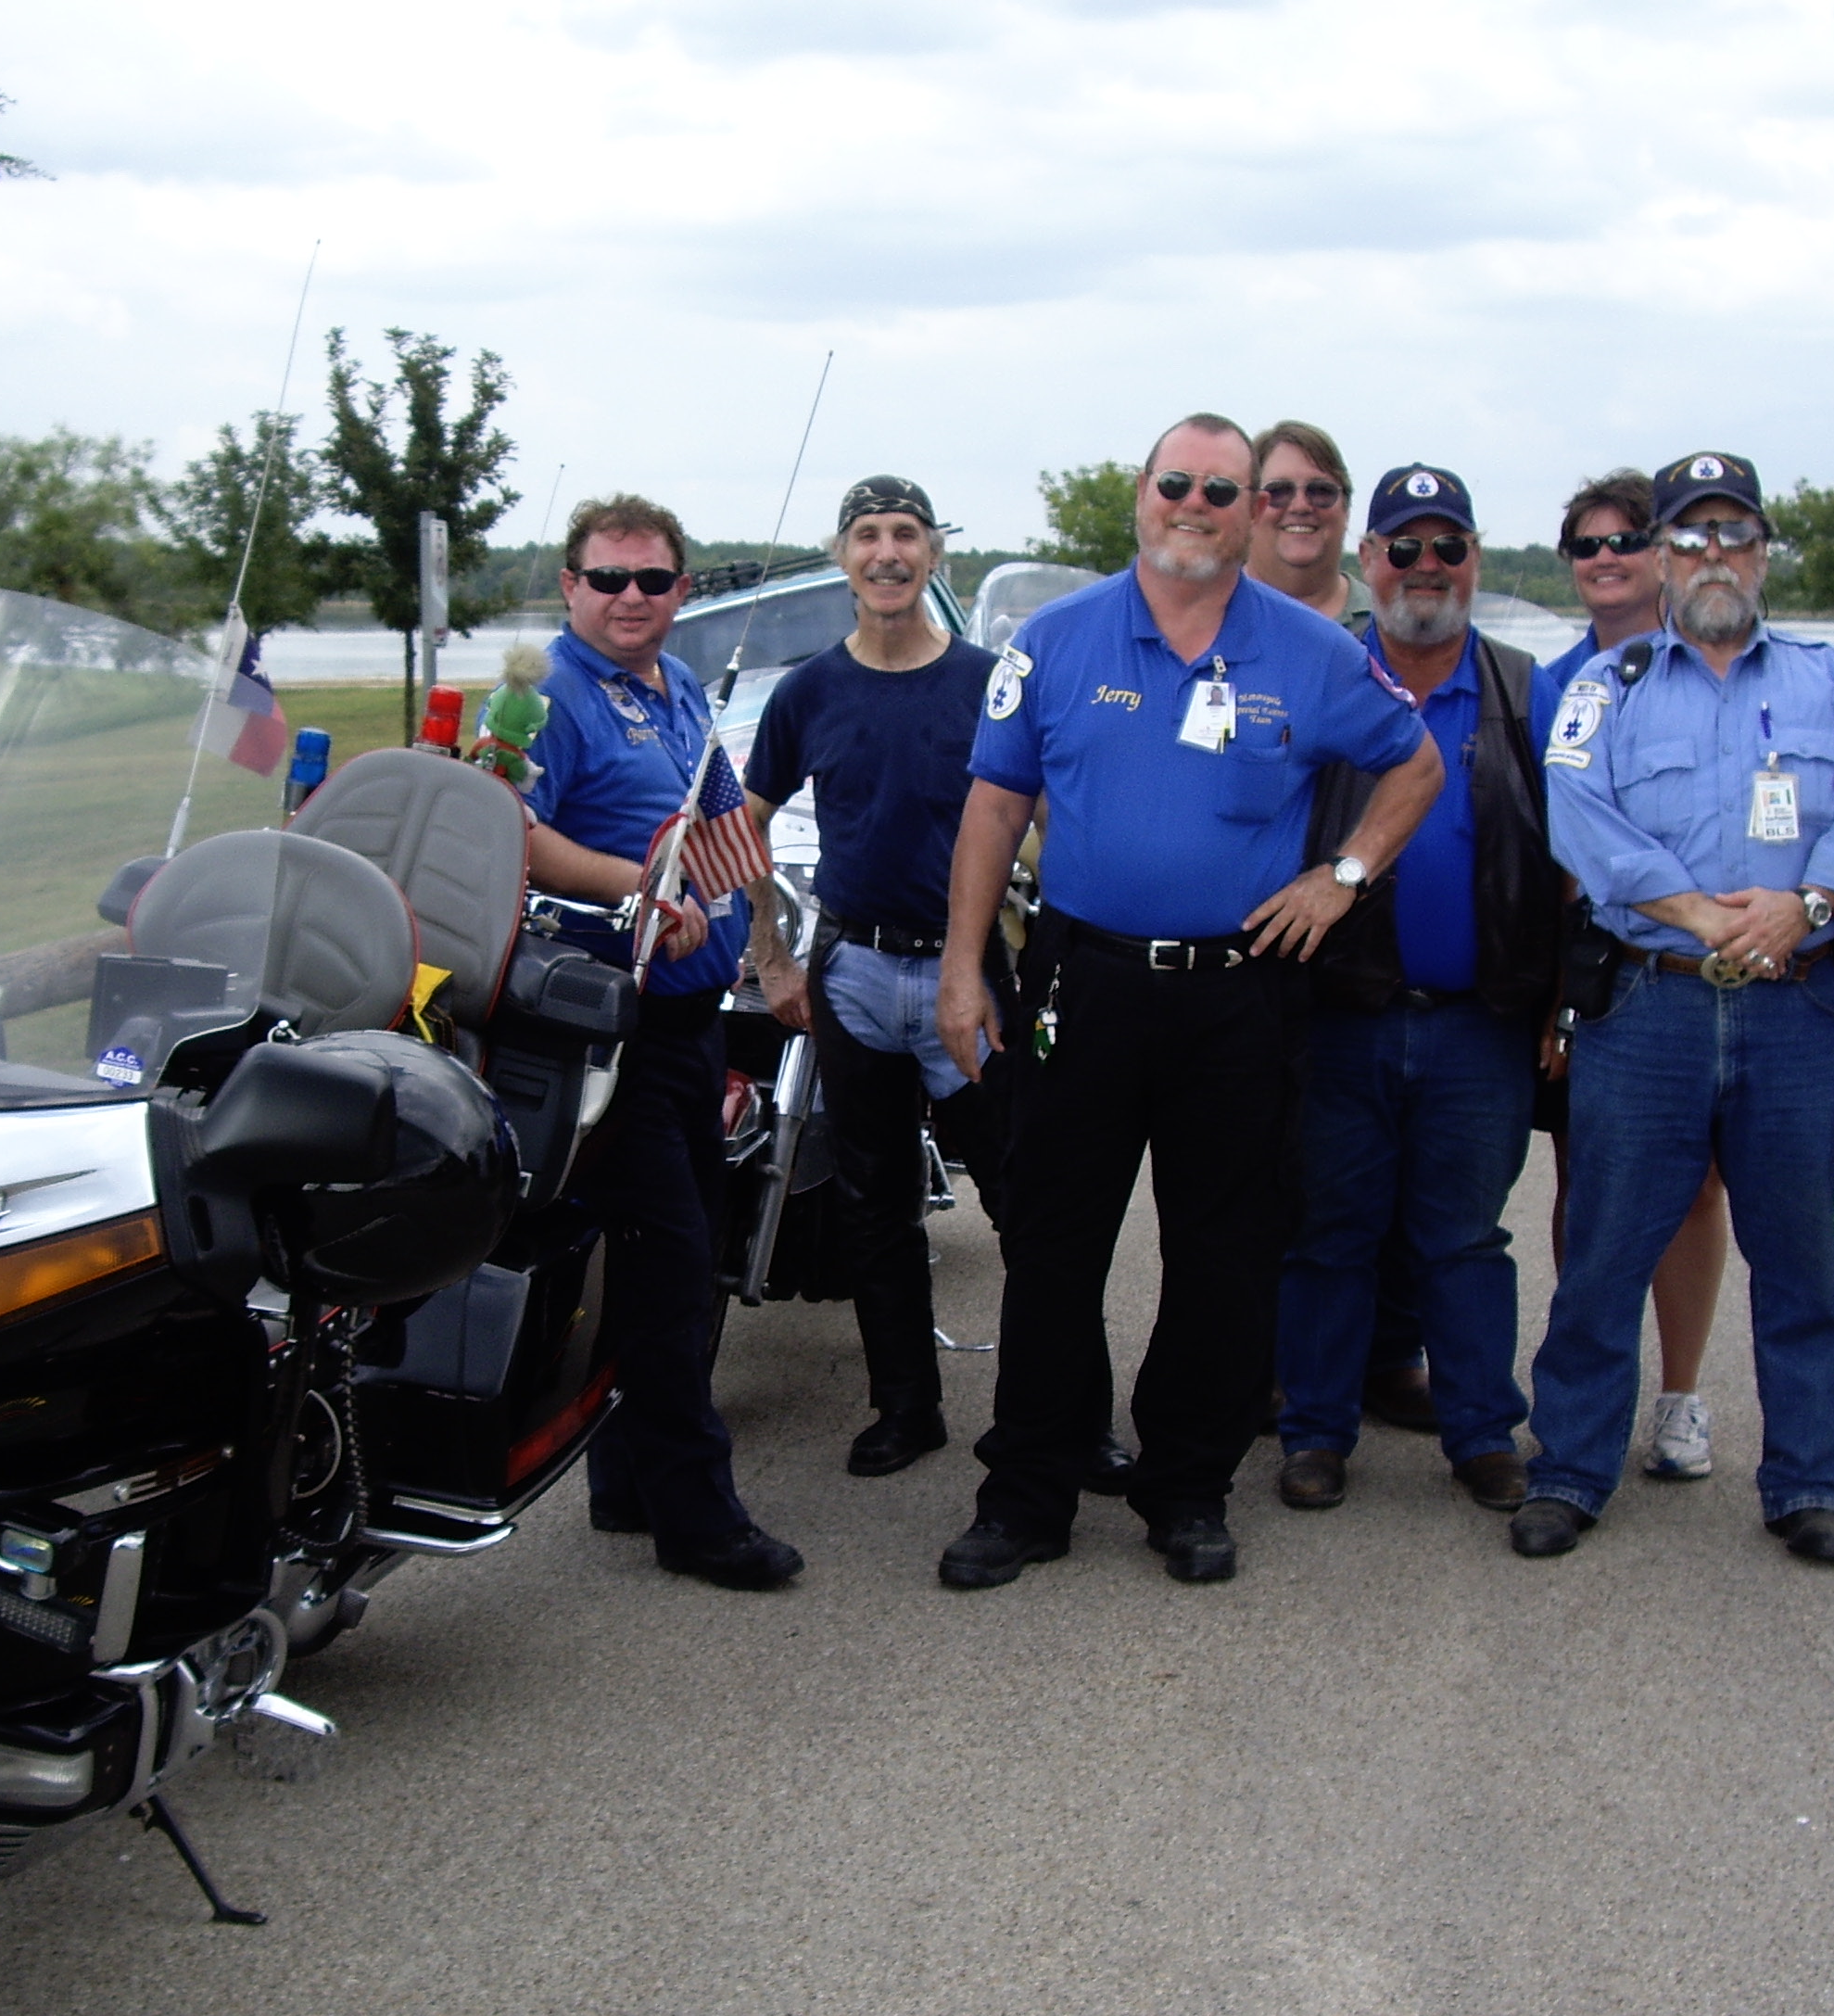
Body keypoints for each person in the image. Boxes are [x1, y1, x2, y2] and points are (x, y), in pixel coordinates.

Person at [930, 413, 1444, 1589]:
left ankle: (1187, 1488)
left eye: (1225, 490)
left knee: (1226, 1253)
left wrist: (1343, 876)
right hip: (1083, 981)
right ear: (1142, 493)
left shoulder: (1310, 652)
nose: (1197, 506)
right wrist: (964, 967)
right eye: (1179, 484)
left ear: (1255, 510)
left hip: (1240, 994)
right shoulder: (1053, 642)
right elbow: (994, 809)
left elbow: (1415, 766)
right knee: (1054, 1242)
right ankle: (1029, 1491)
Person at [1514, 450, 1834, 1566]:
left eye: (1734, 534)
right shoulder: (1608, 689)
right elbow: (1580, 821)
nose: (1713, 556)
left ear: (1764, 551)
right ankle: (1572, 1469)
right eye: (1689, 538)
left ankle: (1809, 1480)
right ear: (1661, 557)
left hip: (1793, 1010)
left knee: (1802, 1261)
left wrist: (1805, 907)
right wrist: (1698, 914)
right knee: (1604, 1253)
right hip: (1652, 1007)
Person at [524, 491, 803, 1590]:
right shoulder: (545, 693)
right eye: (608, 578)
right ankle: (699, 1519)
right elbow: (512, 828)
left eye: (651, 579)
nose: (630, 597)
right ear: (571, 586)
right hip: (611, 1029)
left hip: (691, 1022)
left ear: (683, 590)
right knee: (671, 1267)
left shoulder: (676, 683)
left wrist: (762, 937)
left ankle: (628, 1482)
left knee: (663, 1260)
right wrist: (632, 888)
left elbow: (721, 820)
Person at [1273, 463, 1554, 1518]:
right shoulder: (1323, 676)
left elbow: (1573, 864)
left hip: (1481, 1025)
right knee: (1330, 1234)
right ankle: (1314, 1432)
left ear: (1475, 559)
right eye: (1403, 547)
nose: (1425, 567)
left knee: (1466, 1240)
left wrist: (1562, 1003)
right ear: (1369, 560)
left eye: (1447, 547)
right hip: (1341, 1015)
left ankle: (1483, 1435)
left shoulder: (1526, 691)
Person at [739, 475, 1002, 1477]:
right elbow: (744, 824)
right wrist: (771, 955)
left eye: (905, 534)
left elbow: (1043, 816)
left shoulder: (988, 682)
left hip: (968, 976)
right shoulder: (807, 692)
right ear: (842, 557)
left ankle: (1056, 1413)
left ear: (934, 553)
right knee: (875, 1206)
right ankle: (906, 1409)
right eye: (867, 536)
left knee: (1028, 1200)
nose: (887, 553)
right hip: (852, 974)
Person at [1538, 470, 1733, 1485]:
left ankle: (1681, 1395)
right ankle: (1592, 1397)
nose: (1606, 559)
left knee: (1697, 1184)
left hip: (1697, 964)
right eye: (1587, 545)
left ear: (1663, 554)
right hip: (1588, 969)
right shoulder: (1548, 685)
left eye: (1625, 540)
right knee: (1590, 1186)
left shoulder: (1714, 665)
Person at [1245, 419, 1433, 1433]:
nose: (1298, 507)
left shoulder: (1381, 636)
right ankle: (1258, 1362)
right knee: (1251, 1173)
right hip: (1244, 953)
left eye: (1321, 490)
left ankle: (1385, 1357)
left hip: (1364, 953)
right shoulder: (1211, 624)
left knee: (1376, 1179)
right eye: (1277, 490)